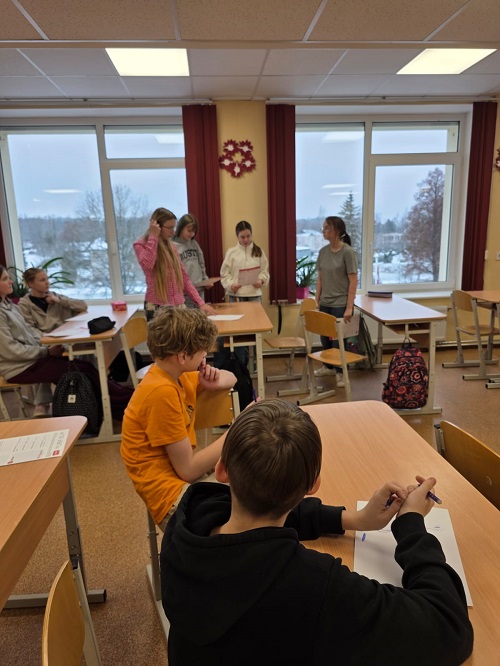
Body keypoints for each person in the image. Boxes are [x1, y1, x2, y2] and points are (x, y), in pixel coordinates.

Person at [160, 398, 473, 666]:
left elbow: (267, 506)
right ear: (313, 485)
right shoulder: (314, 587)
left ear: (222, 470)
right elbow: (448, 628)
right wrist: (411, 525)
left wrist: (353, 519)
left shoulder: (187, 524)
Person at [120, 307, 237, 530]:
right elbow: (188, 470)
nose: (205, 357)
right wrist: (236, 432)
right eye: (203, 352)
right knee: (254, 505)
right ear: (183, 356)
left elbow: (231, 378)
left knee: (255, 484)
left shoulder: (177, 375)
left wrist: (215, 380)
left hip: (183, 480)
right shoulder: (160, 391)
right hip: (171, 499)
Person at [0, 265, 133, 420]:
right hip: (20, 367)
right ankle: (124, 405)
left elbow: (29, 336)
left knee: (86, 367)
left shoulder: (10, 306)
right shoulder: (10, 309)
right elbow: (10, 350)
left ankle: (120, 403)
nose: (11, 282)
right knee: (79, 374)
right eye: (5, 279)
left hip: (33, 359)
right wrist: (46, 351)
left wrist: (47, 348)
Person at [133, 207, 215, 321]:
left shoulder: (171, 246)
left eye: (174, 227)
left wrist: (201, 303)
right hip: (157, 307)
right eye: (170, 228)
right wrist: (153, 237)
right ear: (157, 226)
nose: (173, 232)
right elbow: (148, 265)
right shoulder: (141, 245)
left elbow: (184, 278)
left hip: (179, 306)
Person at [314, 215, 358, 387]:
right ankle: (328, 366)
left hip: (340, 303)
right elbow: (320, 279)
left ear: (337, 231)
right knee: (325, 338)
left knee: (338, 341)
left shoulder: (347, 252)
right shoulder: (323, 252)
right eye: (323, 227)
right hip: (325, 302)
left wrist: (349, 307)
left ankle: (341, 373)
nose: (323, 231)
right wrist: (316, 300)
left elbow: (353, 280)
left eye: (327, 228)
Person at [219, 220, 269, 367]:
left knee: (256, 331)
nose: (246, 240)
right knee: (238, 332)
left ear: (251, 235)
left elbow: (265, 272)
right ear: (237, 236)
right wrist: (230, 285)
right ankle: (241, 365)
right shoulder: (231, 253)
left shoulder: (258, 251)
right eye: (242, 237)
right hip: (237, 296)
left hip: (254, 296)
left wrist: (261, 280)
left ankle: (255, 364)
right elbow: (224, 274)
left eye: (248, 236)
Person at [18, 267, 87, 333]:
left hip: (65, 336)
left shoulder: (55, 296)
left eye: (47, 279)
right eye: (42, 280)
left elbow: (83, 306)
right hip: (43, 339)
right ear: (30, 283)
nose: (47, 283)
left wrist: (59, 301)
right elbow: (29, 329)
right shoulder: (25, 304)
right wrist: (47, 338)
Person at [172, 213, 215, 309]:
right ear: (180, 228)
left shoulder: (194, 244)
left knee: (199, 315)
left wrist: (205, 279)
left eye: (194, 231)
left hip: (199, 289)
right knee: (189, 316)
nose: (192, 234)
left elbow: (201, 264)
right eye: (189, 231)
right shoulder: (173, 245)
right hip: (184, 292)